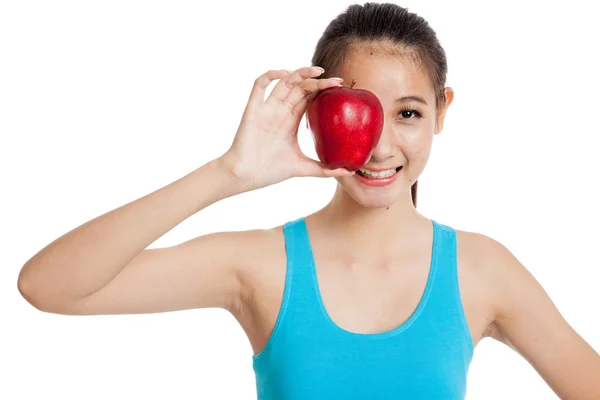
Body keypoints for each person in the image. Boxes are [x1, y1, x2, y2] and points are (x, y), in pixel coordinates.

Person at [16, 2, 600, 399]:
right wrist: (229, 172)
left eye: (409, 114)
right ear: (315, 113)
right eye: (359, 111)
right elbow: (49, 286)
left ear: (442, 111)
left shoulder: (482, 270)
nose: (380, 146)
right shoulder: (258, 266)